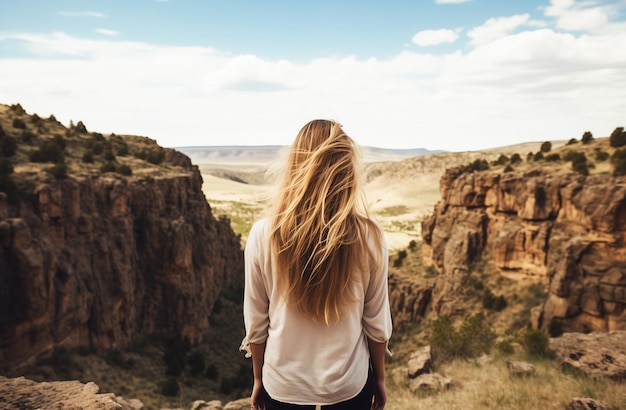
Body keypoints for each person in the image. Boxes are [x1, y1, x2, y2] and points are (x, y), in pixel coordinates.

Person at [241, 119, 392, 410]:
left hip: (283, 386)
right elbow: (376, 324)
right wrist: (380, 379)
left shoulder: (264, 234)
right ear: (347, 170)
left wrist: (258, 378)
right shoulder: (370, 236)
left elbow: (256, 323)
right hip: (349, 386)